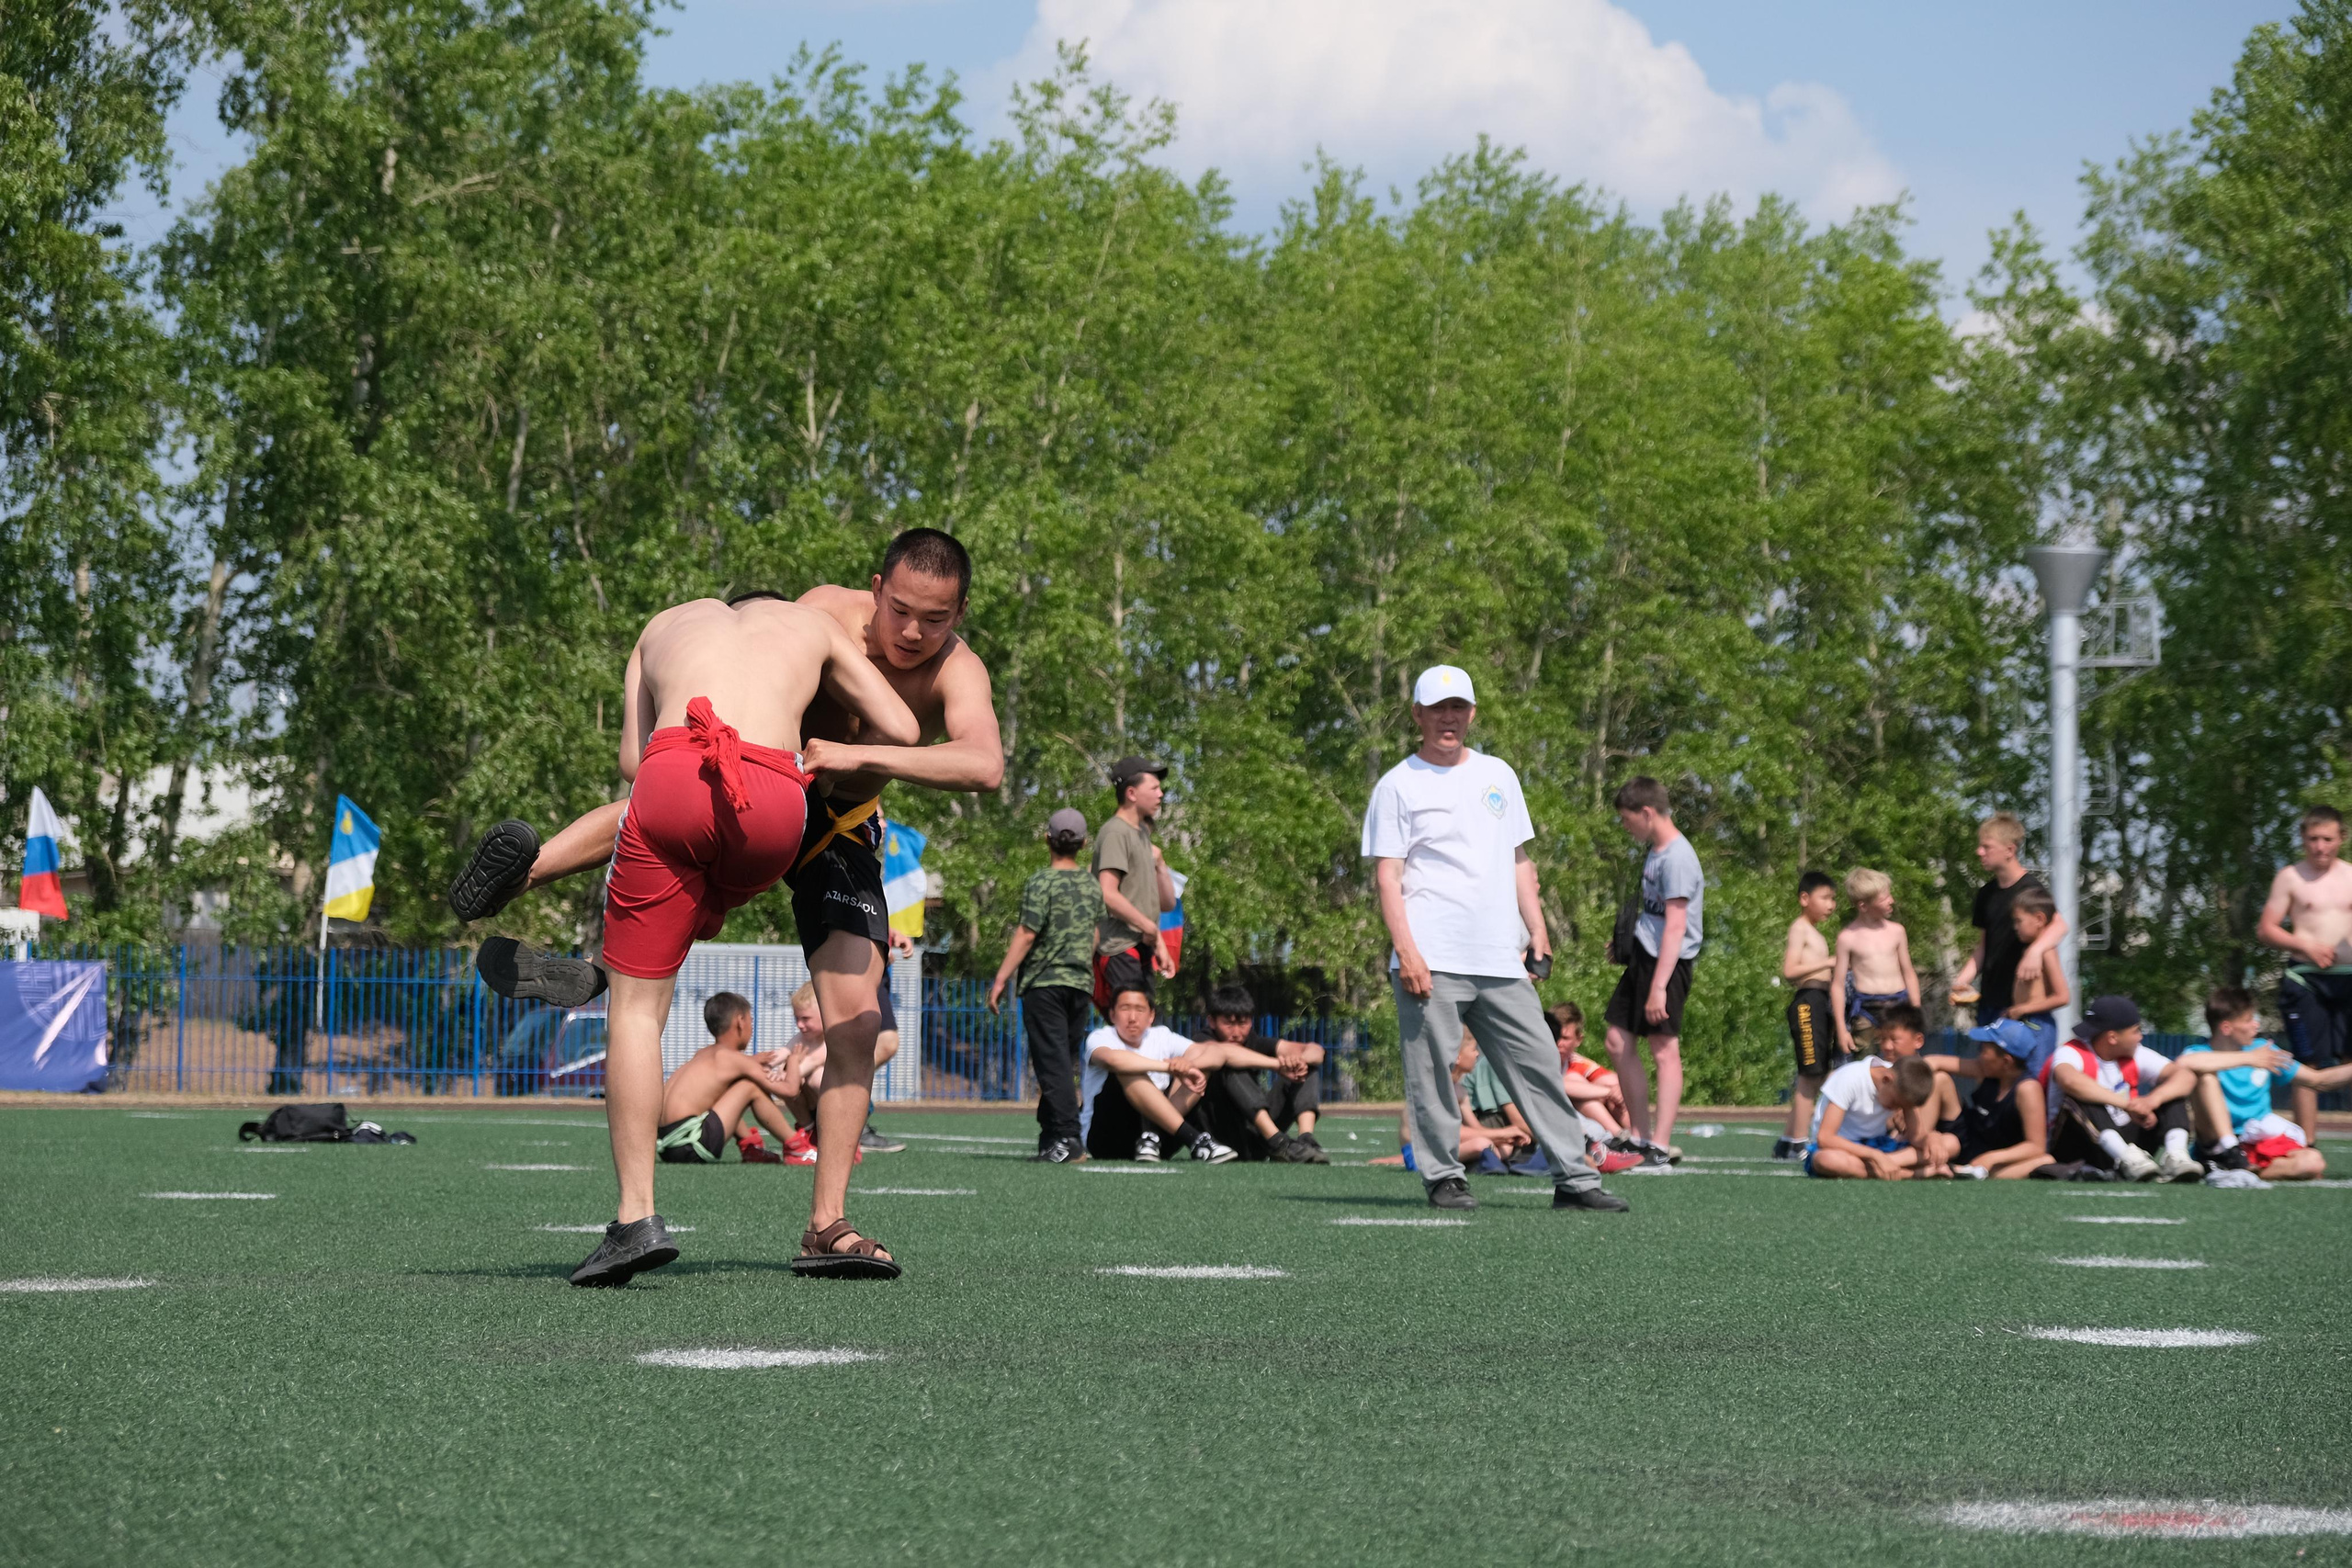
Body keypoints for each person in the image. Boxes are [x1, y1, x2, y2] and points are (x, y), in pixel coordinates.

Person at [450, 530, 1004, 1280]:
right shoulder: (818, 614)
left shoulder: (958, 669)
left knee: (858, 1020)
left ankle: (826, 1223)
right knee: (678, 799)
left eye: (934, 619)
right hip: (769, 789)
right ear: (875, 587)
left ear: (960, 611)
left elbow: (983, 762)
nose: (911, 632)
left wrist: (857, 755)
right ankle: (539, 884)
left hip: (834, 826)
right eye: (899, 609)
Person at [550, 592, 919, 1285]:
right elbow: (900, 725)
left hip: (673, 776)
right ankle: (682, 924)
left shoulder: (659, 626)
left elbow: (633, 764)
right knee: (728, 874)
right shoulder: (808, 624)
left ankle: (635, 1217)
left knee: (636, 1011)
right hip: (776, 797)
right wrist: (829, 749)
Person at [1363, 664, 1624, 1213]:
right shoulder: (1397, 785)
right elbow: (1388, 875)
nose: (1448, 718)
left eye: (1457, 707)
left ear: (1472, 713)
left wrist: (1538, 930)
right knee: (1434, 1072)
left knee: (1538, 1066)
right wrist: (1407, 951)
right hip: (1430, 955)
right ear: (1417, 715)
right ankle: (1443, 1178)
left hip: (1500, 956)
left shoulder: (1499, 775)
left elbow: (1518, 860)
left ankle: (1575, 1179)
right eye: (1437, 709)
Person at [987, 807, 1105, 1163]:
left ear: (1047, 840)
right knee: (1063, 1062)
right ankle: (1051, 1136)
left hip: (1045, 983)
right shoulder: (1092, 884)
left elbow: (1027, 933)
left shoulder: (1042, 882)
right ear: (1084, 844)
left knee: (1051, 1065)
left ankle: (1069, 1139)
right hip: (1080, 983)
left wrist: (1001, 978)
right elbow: (1095, 935)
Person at [1602, 776, 1702, 1169]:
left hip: (1669, 964)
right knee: (1616, 1039)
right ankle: (1640, 1137)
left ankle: (1659, 1145)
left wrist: (1659, 986)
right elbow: (1655, 916)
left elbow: (1676, 927)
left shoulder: (1677, 857)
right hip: (1646, 956)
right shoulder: (1656, 851)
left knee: (1664, 1048)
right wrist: (1626, 944)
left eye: (1628, 821)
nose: (1627, 829)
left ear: (1647, 813)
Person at [2166, 986, 2352, 1181]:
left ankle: (2231, 1168)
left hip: (2253, 1143)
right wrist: (2249, 1058)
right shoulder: (2200, 1052)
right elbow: (2184, 1063)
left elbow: (2319, 1080)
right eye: (2248, 1020)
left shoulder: (2263, 1052)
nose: (2256, 1025)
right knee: (2205, 1076)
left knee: (2313, 1162)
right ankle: (2226, 1152)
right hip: (2214, 1142)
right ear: (2227, 1028)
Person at [2256, 804, 2352, 1141]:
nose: (2320, 846)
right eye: (2313, 839)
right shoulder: (2291, 877)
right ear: (2302, 839)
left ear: (2341, 838)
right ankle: (2306, 1144)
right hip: (2306, 979)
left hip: (2349, 979)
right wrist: (2306, 945)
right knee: (2307, 1063)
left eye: (2327, 838)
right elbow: (2266, 929)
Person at [2043, 995, 2203, 1184]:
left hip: (2127, 1141)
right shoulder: (2070, 1052)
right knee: (2080, 1096)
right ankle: (2127, 1159)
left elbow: (2186, 1077)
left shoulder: (2135, 1053)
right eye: (2136, 1031)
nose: (2140, 1036)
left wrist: (2152, 1101)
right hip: (2078, 1147)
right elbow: (2069, 1080)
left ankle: (2176, 1157)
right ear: (2112, 1037)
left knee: (2172, 1093)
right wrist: (2128, 1105)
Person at [1078, 988, 1240, 1163]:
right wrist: (1170, 1068)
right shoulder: (1100, 1037)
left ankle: (1152, 1136)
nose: (1132, 1017)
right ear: (1112, 1014)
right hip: (1107, 1140)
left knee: (1201, 1067)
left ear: (1151, 1016)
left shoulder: (1161, 1035)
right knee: (1127, 1068)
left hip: (1160, 1143)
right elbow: (1112, 1059)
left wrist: (1189, 1066)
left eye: (1139, 1010)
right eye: (1125, 1009)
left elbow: (1215, 1053)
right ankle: (1195, 1139)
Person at [654, 992, 805, 1167]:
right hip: (692, 1145)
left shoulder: (702, 1055)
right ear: (740, 1021)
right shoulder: (733, 1060)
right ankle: (798, 1148)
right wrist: (793, 1061)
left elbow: (727, 1069)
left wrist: (751, 1061)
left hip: (669, 1147)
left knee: (728, 1087)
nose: (751, 1026)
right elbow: (790, 1090)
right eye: (751, 1020)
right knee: (750, 1086)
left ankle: (750, 1147)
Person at [1951, 812, 2067, 1027]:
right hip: (1989, 1002)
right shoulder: (1986, 893)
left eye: (1986, 847)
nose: (1979, 852)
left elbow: (2060, 925)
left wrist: (2034, 951)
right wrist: (1962, 981)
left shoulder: (2031, 889)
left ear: (2010, 850)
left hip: (2021, 1006)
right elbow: (1983, 947)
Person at [1194, 983, 1329, 1164]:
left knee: (1306, 1068)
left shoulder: (1254, 1041)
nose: (1236, 1032)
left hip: (1255, 1138)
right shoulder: (1202, 1041)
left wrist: (1299, 1061)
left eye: (1243, 1023)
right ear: (1211, 1021)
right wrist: (1277, 1065)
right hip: (1222, 1138)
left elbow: (1316, 1051)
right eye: (1228, 1024)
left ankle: (1306, 1139)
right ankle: (1278, 1143)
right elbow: (1225, 1053)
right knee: (1231, 1066)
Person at [1092, 757, 1179, 1008]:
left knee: (1145, 1037)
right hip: (1120, 951)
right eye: (1153, 788)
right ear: (1131, 793)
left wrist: (1159, 943)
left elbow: (1164, 904)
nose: (1160, 794)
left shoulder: (1140, 833)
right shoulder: (1115, 833)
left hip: (1141, 948)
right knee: (1130, 1036)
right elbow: (1107, 894)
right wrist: (1150, 929)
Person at [1923, 1019, 2053, 1179]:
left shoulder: (2027, 1089)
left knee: (2045, 1161)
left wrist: (1992, 1158)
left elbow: (2036, 1146)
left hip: (1997, 1160)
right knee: (1939, 1079)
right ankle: (1927, 1143)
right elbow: (1931, 1061)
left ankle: (1967, 1172)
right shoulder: (1985, 1070)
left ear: (2006, 1062)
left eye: (1984, 1050)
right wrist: (1910, 1103)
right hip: (1965, 1143)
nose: (1979, 1055)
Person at [1776, 871, 1839, 1161]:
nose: (1831, 905)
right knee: (1809, 1073)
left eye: (1833, 899)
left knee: (1815, 1073)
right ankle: (1799, 1143)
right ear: (1804, 898)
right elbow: (1789, 971)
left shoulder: (1815, 931)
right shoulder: (1800, 928)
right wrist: (1828, 962)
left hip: (1821, 1000)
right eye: (1825, 898)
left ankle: (1788, 1139)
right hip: (1807, 1002)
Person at [1804, 1053, 1945, 1179]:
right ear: (1886, 1079)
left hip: (1878, 1145)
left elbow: (1916, 1136)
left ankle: (1880, 1166)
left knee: (1950, 1143)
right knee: (1826, 1160)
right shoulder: (1850, 1078)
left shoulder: (1902, 1084)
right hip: (1842, 1148)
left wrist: (1931, 1138)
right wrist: (1875, 1156)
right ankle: (1909, 1173)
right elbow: (1825, 1138)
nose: (1897, 1109)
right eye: (1895, 1102)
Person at [1830, 868, 1919, 1057]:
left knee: (1906, 1062)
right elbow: (1837, 985)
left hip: (1899, 1004)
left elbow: (1908, 972)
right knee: (1865, 1065)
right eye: (1884, 898)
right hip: (1866, 1008)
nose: (1891, 901)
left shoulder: (1896, 931)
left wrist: (1916, 1009)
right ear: (1863, 906)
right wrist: (1841, 1029)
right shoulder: (1848, 937)